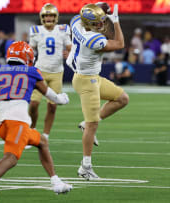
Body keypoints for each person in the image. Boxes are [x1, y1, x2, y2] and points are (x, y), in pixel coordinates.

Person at [0, 41, 72, 203]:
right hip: (17, 123)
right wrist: (62, 99)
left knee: (42, 142)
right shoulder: (31, 71)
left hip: (2, 125)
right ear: (27, 57)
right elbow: (51, 95)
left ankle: (56, 182)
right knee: (12, 158)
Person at [66, 4, 129, 180]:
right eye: (97, 22)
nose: (101, 24)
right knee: (92, 124)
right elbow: (120, 43)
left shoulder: (76, 23)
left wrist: (100, 8)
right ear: (89, 24)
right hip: (87, 81)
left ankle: (87, 125)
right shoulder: (93, 39)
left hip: (91, 78)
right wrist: (115, 21)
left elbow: (82, 14)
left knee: (122, 98)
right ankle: (85, 167)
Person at [28, 3, 71, 140]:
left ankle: (45, 135)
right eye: (46, 15)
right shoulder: (36, 30)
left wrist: (70, 53)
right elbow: (30, 51)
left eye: (51, 15)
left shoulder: (63, 30)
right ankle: (32, 129)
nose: (49, 18)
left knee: (52, 106)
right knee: (34, 104)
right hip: (40, 71)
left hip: (57, 72)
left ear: (56, 17)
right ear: (42, 17)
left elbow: (71, 47)